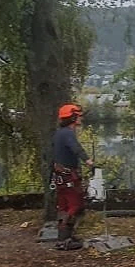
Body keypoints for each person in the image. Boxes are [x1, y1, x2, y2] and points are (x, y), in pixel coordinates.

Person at [51, 104, 92, 250]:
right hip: (68, 175)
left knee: (64, 206)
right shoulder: (68, 134)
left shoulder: (58, 133)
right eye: (79, 115)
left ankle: (64, 238)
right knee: (76, 205)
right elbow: (75, 147)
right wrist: (87, 160)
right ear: (73, 117)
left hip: (59, 174)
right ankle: (64, 240)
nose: (81, 118)